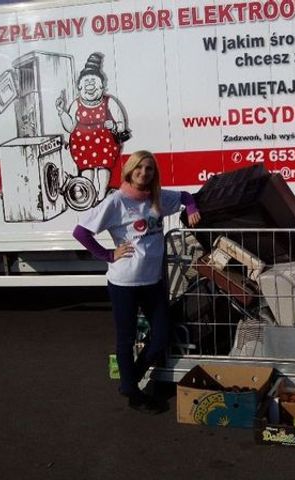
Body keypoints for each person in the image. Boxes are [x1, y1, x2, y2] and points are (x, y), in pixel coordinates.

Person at [72, 150, 201, 414]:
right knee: (126, 339)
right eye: (139, 168)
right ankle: (133, 392)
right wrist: (108, 255)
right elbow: (81, 232)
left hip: (153, 281)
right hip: (124, 283)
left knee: (161, 336)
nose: (144, 173)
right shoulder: (116, 201)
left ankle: (129, 380)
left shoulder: (157, 197)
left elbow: (186, 196)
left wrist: (192, 208)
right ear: (130, 171)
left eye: (149, 169)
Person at [57, 52, 129, 203]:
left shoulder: (109, 102)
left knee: (103, 170)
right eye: (86, 81)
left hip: (105, 146)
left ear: (102, 85)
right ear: (80, 86)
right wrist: (62, 112)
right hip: (82, 147)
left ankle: (101, 196)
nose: (90, 84)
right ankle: (89, 198)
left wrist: (114, 125)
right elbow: (70, 127)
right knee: (86, 172)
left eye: (93, 80)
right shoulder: (76, 104)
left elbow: (122, 126)